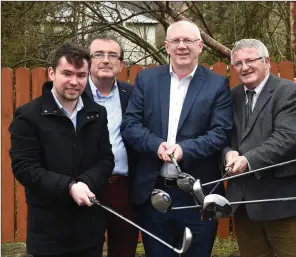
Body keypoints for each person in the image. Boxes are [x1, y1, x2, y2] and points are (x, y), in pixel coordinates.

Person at [120, 20, 232, 257]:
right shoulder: (146, 80)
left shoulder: (217, 84)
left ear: (200, 46)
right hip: (154, 192)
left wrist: (184, 149)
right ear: (166, 46)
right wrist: (155, 145)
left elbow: (220, 132)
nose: (182, 46)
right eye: (176, 41)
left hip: (197, 194)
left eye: (188, 40)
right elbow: (130, 125)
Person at [9, 42, 114, 257]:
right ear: (51, 73)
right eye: (67, 73)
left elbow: (106, 160)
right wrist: (69, 186)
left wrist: (86, 182)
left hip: (89, 230)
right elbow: (24, 168)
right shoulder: (29, 116)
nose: (74, 82)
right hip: (48, 233)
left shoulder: (97, 113)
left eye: (81, 75)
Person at [223, 39, 296, 257]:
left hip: (283, 203)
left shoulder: (290, 92)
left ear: (267, 62)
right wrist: (228, 153)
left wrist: (247, 160)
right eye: (238, 63)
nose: (244, 67)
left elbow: (285, 138)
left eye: (250, 60)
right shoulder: (231, 97)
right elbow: (222, 135)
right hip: (244, 204)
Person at [86, 32, 138, 257]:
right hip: (86, 187)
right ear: (88, 61)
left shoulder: (133, 94)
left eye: (112, 55)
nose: (106, 60)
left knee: (124, 250)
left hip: (124, 188)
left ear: (122, 63)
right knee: (86, 249)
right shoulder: (76, 94)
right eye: (98, 54)